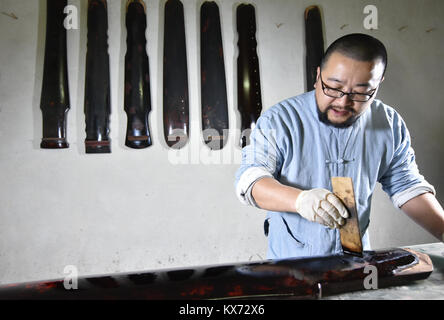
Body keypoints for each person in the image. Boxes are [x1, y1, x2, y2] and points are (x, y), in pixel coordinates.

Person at [234, 33, 444, 259]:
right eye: (333, 87)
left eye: (361, 92)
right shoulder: (280, 119)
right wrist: (300, 200)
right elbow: (250, 180)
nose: (343, 101)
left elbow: (406, 186)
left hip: (356, 260)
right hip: (291, 263)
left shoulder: (388, 124)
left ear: (378, 84)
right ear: (318, 76)